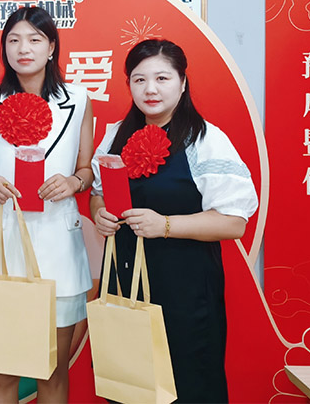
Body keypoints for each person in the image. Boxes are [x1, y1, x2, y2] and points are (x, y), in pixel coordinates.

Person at [89, 39, 258, 403]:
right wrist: (99, 213)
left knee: (188, 383)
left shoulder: (205, 140)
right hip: (125, 283)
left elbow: (234, 223)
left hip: (185, 288)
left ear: (183, 83)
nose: (150, 89)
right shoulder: (115, 136)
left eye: (162, 78)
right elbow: (98, 193)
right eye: (139, 80)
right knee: (129, 384)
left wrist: (165, 225)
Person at [0, 6, 95, 403]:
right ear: (4, 48)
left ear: (51, 47)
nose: (24, 49)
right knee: (4, 369)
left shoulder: (79, 100)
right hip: (1, 244)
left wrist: (73, 182)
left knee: (51, 369)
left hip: (57, 241)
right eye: (14, 40)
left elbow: (87, 169)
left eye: (35, 40)